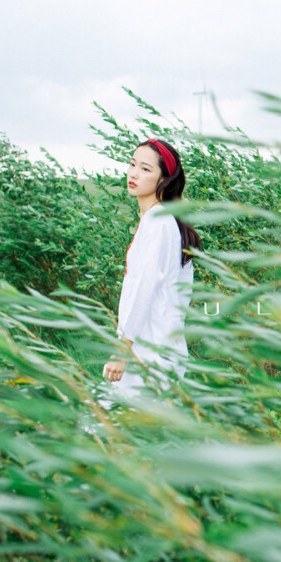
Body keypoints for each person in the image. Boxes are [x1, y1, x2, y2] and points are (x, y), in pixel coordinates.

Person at [102, 138, 202, 398]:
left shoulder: (159, 223)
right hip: (150, 347)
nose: (134, 173)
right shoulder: (158, 220)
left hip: (151, 352)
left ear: (163, 180)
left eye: (146, 169)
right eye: (133, 164)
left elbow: (144, 290)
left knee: (112, 428)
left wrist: (122, 349)